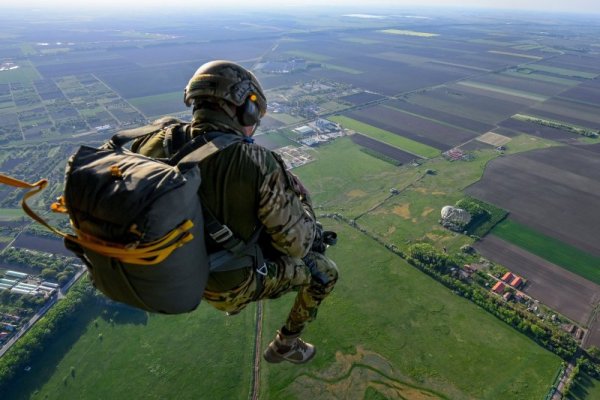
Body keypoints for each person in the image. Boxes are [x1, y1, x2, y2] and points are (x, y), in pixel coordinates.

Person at [132, 60, 338, 364]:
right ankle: (287, 344)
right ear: (247, 109)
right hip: (225, 285)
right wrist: (303, 201)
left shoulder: (155, 141)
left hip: (167, 275)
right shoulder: (255, 161)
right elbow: (297, 245)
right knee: (325, 273)